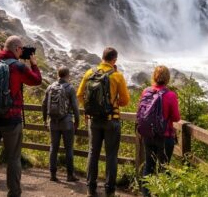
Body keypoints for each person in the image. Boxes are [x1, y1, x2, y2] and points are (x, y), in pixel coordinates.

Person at [0, 36, 42, 197]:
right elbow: (36, 80)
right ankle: (14, 193)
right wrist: (33, 63)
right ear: (18, 49)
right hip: (11, 120)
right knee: (13, 158)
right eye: (21, 50)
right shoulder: (18, 66)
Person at [77, 47, 130, 197]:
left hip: (94, 120)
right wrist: (112, 103)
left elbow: (80, 95)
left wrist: (91, 108)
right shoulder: (117, 76)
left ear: (102, 58)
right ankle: (109, 191)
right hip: (111, 120)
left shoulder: (89, 73)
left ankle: (90, 189)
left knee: (93, 153)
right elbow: (125, 100)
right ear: (114, 60)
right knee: (111, 155)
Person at [139, 66, 181, 197]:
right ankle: (162, 194)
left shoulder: (146, 91)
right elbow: (176, 118)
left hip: (148, 134)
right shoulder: (170, 95)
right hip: (165, 136)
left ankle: (146, 194)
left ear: (154, 76)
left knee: (148, 166)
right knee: (164, 168)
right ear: (167, 78)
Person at [42, 66, 80, 182]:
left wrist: (44, 120)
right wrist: (77, 122)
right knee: (69, 149)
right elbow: (75, 107)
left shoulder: (50, 87)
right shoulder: (70, 88)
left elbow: (44, 105)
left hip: (53, 122)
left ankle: (53, 174)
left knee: (53, 148)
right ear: (68, 75)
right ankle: (70, 175)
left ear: (57, 75)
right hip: (67, 123)